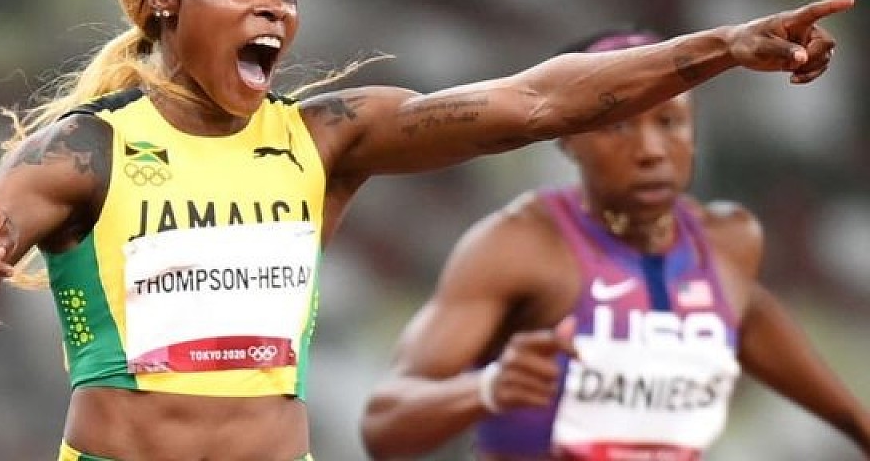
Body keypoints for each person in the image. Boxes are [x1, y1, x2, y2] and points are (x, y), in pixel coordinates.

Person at [0, 0, 852, 458]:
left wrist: (723, 46)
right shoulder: (81, 150)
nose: (275, 7)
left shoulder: (327, 139)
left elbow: (537, 103)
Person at [359, 29, 870, 461]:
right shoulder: (520, 245)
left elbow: (751, 319)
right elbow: (384, 427)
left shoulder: (729, 244)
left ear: (694, 133)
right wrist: (487, 388)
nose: (650, 150)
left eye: (669, 121)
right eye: (617, 124)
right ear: (565, 136)